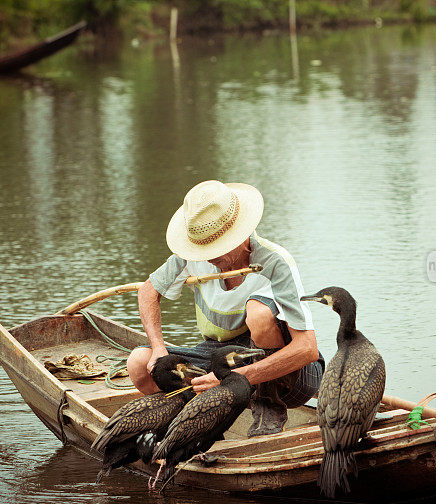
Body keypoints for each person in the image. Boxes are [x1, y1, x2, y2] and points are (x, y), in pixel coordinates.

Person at [126, 180, 324, 436]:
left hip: (288, 376)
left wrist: (236, 378)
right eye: (203, 249)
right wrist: (158, 348)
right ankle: (192, 424)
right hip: (220, 357)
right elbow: (148, 291)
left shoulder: (275, 262)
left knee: (259, 313)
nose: (209, 257)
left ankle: (268, 407)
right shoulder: (193, 255)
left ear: (240, 234)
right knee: (139, 362)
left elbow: (307, 349)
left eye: (215, 248)